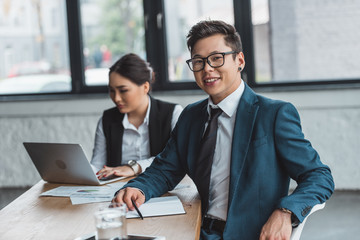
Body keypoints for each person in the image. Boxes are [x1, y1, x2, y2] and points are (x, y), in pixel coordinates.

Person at [112, 20, 334, 239]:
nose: (207, 68)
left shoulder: (274, 114)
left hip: (249, 234)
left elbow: (319, 176)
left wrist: (286, 211)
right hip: (195, 227)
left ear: (240, 60)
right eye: (198, 61)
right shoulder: (191, 116)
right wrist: (139, 188)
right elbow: (165, 168)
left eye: (217, 58)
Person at [91, 53, 183, 179]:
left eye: (123, 90)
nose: (116, 98)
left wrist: (133, 167)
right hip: (118, 191)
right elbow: (97, 165)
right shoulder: (107, 120)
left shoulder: (173, 113)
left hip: (163, 188)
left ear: (145, 87)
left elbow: (176, 158)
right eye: (112, 90)